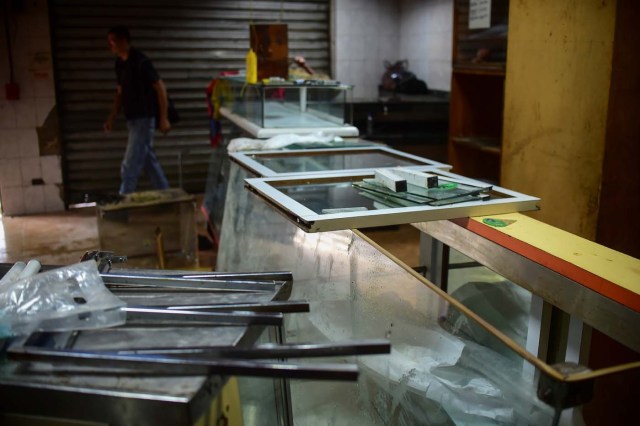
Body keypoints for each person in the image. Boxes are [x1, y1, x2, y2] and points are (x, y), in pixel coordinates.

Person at [103, 25, 170, 195]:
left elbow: (160, 88)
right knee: (149, 163)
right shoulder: (119, 64)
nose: (110, 45)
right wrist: (111, 117)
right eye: (108, 41)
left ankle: (121, 210)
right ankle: (167, 198)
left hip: (145, 119)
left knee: (129, 166)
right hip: (132, 120)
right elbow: (120, 92)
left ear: (124, 41)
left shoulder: (141, 61)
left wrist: (163, 118)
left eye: (113, 41)